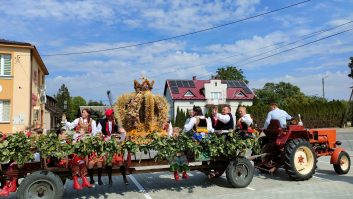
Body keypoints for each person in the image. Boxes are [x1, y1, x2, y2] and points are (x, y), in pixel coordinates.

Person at [96, 109, 129, 186]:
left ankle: (125, 178)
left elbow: (121, 130)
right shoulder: (101, 122)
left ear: (113, 115)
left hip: (115, 143)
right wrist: (103, 136)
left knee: (120, 161)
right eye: (107, 116)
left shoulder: (116, 121)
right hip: (105, 143)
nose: (109, 117)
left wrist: (122, 135)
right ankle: (110, 179)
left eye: (110, 116)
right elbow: (97, 132)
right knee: (109, 162)